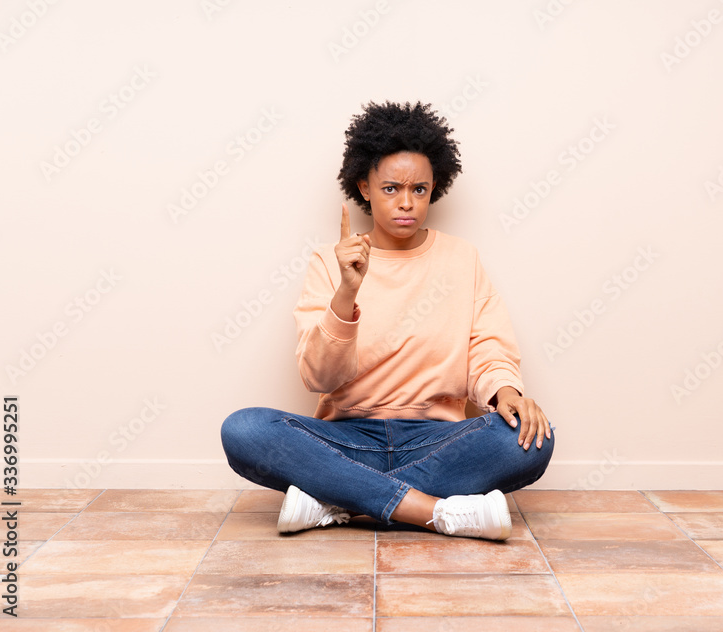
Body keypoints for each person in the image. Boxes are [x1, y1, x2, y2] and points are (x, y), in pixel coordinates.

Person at [220, 101, 554, 541]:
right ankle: (433, 510)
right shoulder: (329, 263)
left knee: (531, 439)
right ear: (365, 186)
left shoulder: (461, 258)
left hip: (438, 441)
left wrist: (506, 392)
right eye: (391, 188)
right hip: (346, 440)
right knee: (243, 430)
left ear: (435, 189)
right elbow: (319, 377)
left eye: (419, 190)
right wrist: (346, 292)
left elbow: (486, 347)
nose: (406, 203)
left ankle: (339, 502)